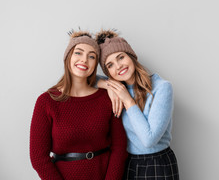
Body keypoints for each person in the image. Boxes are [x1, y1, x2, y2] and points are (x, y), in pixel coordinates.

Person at [30, 30, 128, 180]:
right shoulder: (46, 102)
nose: (84, 60)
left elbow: (119, 148)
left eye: (91, 56)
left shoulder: (107, 98)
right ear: (68, 56)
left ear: (96, 64)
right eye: (78, 53)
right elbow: (38, 158)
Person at [95, 30, 180, 180]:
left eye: (121, 57)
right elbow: (83, 78)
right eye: (110, 65)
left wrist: (127, 100)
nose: (119, 66)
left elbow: (149, 140)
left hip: (157, 164)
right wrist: (107, 84)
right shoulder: (116, 89)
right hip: (127, 163)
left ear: (131, 56)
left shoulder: (162, 87)